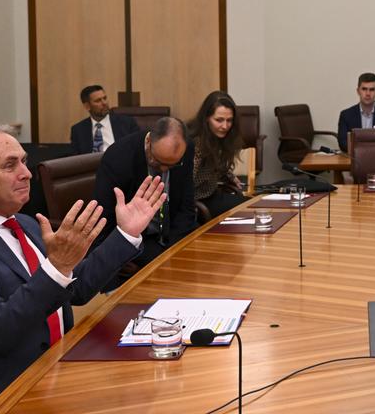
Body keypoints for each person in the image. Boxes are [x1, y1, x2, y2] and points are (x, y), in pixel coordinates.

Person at [0, 125, 164, 414]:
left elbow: (77, 289)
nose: (27, 173)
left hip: (53, 369)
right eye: (11, 165)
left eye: (23, 161)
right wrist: (57, 267)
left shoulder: (24, 223)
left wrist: (125, 234)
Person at [93, 117, 196, 287]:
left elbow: (186, 205)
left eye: (172, 165)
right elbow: (104, 219)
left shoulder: (186, 149)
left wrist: (175, 251)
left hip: (172, 236)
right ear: (148, 141)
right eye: (158, 161)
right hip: (138, 241)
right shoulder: (118, 157)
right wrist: (115, 261)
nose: (163, 169)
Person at [186, 90, 250, 219]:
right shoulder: (196, 143)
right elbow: (186, 182)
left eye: (229, 120)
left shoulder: (218, 137)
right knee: (249, 209)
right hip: (197, 203)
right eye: (219, 120)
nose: (225, 126)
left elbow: (216, 165)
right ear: (206, 118)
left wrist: (229, 176)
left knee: (253, 205)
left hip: (213, 195)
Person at [70, 84, 139, 154]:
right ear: (87, 106)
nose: (104, 103)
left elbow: (137, 149)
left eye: (105, 98)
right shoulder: (78, 130)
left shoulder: (127, 123)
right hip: (91, 164)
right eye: (98, 101)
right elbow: (76, 158)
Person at [337, 72, 375, 152]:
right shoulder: (346, 115)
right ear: (358, 91)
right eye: (364, 89)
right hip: (355, 159)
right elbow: (343, 143)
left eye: (372, 90)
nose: (368, 93)